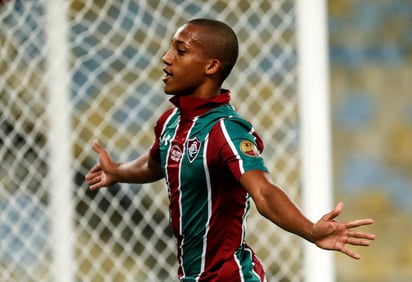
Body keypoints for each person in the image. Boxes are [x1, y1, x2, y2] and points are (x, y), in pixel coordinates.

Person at [85, 18, 375, 282]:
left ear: (211, 67)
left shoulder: (226, 130)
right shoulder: (171, 121)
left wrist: (311, 230)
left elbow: (263, 192)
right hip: (194, 276)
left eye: (181, 51)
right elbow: (156, 164)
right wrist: (118, 171)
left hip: (229, 276)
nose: (166, 58)